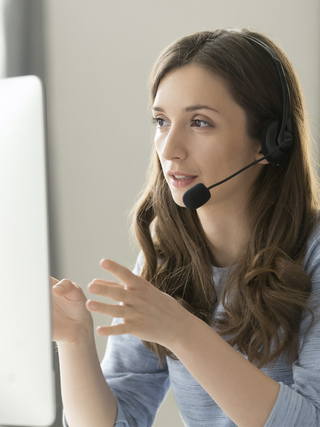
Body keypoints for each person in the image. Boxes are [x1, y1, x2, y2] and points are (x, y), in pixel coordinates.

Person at [52, 28, 320, 427]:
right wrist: (74, 340)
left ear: (269, 141)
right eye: (161, 121)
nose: (169, 148)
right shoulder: (165, 259)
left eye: (199, 122)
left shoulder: (313, 255)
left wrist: (183, 332)